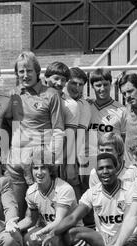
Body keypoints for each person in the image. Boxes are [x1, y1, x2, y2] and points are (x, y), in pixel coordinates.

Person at [41, 152, 137, 246]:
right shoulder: (93, 193)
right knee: (71, 233)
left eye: (109, 167)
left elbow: (125, 226)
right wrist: (52, 233)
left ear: (117, 168)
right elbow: (73, 217)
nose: (105, 171)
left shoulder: (130, 190)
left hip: (130, 239)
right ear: (96, 171)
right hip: (104, 239)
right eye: (101, 168)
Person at [6, 51, 65, 221]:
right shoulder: (13, 94)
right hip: (16, 163)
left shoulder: (51, 94)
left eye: (29, 70)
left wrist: (51, 159)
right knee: (15, 213)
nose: (25, 75)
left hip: (39, 164)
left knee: (40, 214)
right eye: (21, 71)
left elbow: (58, 130)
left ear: (37, 71)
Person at [16, 158, 82, 246]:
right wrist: (13, 227)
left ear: (50, 170)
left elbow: (59, 221)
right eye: (35, 168)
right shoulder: (31, 191)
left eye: (43, 168)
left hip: (71, 232)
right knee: (27, 240)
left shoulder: (63, 188)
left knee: (54, 237)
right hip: (50, 230)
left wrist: (40, 233)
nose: (39, 172)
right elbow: (30, 219)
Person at [44, 62, 83, 200]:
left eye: (63, 80)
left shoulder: (70, 105)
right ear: (46, 78)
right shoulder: (38, 97)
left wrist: (69, 164)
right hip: (38, 153)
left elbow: (70, 137)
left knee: (60, 197)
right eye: (56, 78)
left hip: (58, 159)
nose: (59, 83)